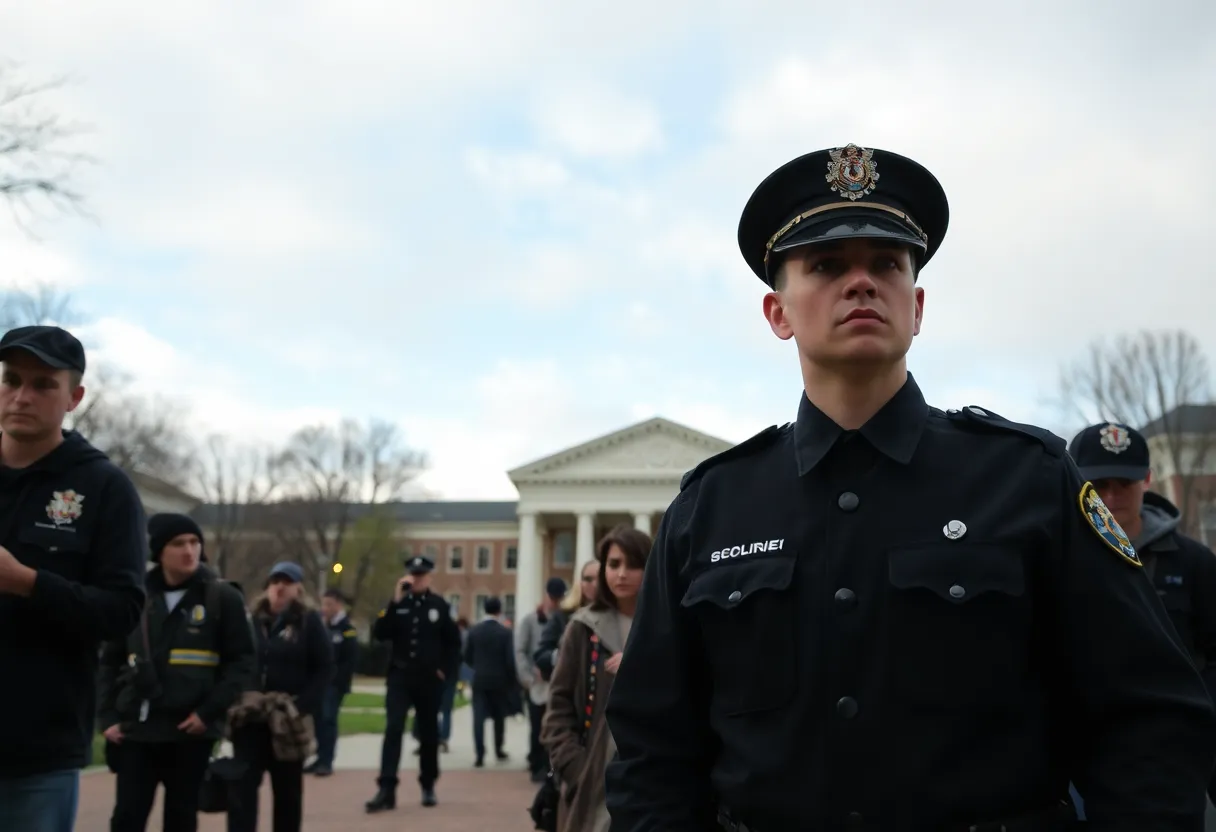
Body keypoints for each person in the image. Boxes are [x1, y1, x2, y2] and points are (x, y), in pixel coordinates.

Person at [602, 144, 1216, 830]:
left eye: (887, 265)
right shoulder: (710, 509)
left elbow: (1148, 716)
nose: (861, 283)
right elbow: (653, 753)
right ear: (778, 312)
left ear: (916, 305)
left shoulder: (1029, 480)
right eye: (828, 266)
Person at [0, 325, 148, 832]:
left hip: (34, 753)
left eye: (43, 384)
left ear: (74, 397)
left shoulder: (103, 487)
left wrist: (27, 582)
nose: (21, 396)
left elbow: (123, 609)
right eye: (10, 378)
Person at [1067, 422, 1216, 818]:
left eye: (1124, 482)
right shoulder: (1060, 564)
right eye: (1098, 485)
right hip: (1085, 751)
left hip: (1177, 750)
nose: (1112, 497)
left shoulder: (1193, 562)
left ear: (1147, 479)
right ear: (1075, 483)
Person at [98, 513, 255, 832]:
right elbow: (109, 660)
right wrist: (108, 716)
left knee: (181, 817)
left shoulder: (222, 598)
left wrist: (208, 713)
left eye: (195, 542)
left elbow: (242, 663)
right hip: (137, 729)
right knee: (126, 817)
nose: (190, 550)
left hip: (190, 731)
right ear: (158, 552)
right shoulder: (135, 596)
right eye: (178, 543)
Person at [542, 525, 649, 832]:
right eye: (614, 564)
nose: (621, 574)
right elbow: (558, 703)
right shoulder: (584, 627)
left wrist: (639, 666)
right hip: (594, 776)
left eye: (633, 565)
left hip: (651, 774)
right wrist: (574, 767)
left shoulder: (664, 627)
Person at [226, 562, 333, 832]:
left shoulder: (309, 623)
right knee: (242, 789)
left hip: (287, 719)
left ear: (298, 588)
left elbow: (324, 668)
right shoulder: (250, 621)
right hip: (251, 717)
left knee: (288, 793)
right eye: (275, 581)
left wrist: (303, 705)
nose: (280, 587)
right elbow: (233, 661)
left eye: (287, 582)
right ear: (267, 587)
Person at [365, 555, 462, 812]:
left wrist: (445, 670)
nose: (417, 579)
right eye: (413, 574)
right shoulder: (398, 605)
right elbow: (380, 632)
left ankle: (428, 784)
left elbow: (453, 643)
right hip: (401, 676)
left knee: (429, 733)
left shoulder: (439, 605)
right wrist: (394, 601)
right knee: (393, 728)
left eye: (421, 575)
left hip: (429, 679)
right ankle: (387, 787)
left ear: (429, 577)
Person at [516, 577, 567, 781]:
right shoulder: (530, 620)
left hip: (558, 682)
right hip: (536, 685)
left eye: (559, 598)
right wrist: (527, 678)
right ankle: (536, 764)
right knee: (537, 726)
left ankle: (551, 765)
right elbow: (520, 651)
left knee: (556, 725)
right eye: (553, 597)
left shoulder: (564, 619)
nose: (555, 602)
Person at [305, 588, 359, 777]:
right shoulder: (322, 626)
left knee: (328, 720)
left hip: (334, 684)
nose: (325, 608)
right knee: (318, 720)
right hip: (320, 683)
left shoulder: (347, 629)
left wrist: (337, 681)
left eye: (329, 604)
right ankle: (320, 757)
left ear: (338, 604)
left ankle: (327, 761)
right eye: (323, 604)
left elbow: (349, 660)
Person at [465, 596, 518, 767]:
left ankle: (480, 754)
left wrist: (477, 665)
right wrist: (512, 680)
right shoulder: (505, 633)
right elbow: (510, 660)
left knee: (478, 718)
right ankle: (498, 749)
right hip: (499, 679)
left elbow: (466, 655)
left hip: (479, 678)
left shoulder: (474, 631)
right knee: (499, 717)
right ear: (499, 611)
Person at [534, 560, 598, 682]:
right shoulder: (563, 616)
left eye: (600, 579)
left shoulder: (616, 615)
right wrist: (562, 655)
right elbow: (541, 656)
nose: (595, 585)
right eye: (588, 579)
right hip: (573, 687)